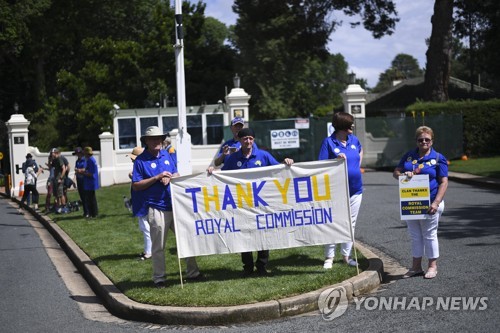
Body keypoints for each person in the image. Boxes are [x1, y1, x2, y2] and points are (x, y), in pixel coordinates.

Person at [216, 127, 294, 277]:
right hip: (242, 203)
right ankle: (248, 266)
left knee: (263, 233)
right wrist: (213, 171)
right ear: (239, 141)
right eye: (245, 139)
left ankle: (262, 265)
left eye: (251, 138)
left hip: (261, 202)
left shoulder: (263, 156)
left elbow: (278, 169)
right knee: (245, 234)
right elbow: (223, 175)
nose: (248, 141)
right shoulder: (233, 158)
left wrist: (286, 162)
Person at [131, 126, 202, 288]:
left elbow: (176, 173)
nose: (157, 141)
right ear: (146, 141)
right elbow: (136, 185)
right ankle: (159, 278)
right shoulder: (141, 161)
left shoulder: (166, 155)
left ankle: (193, 272)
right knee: (158, 246)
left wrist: (170, 177)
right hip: (157, 207)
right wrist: (156, 177)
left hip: (175, 204)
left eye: (159, 138)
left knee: (186, 240)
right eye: (153, 139)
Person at [393, 126, 448, 279]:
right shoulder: (409, 156)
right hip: (411, 202)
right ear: (416, 141)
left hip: (431, 202)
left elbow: (443, 182)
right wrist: (403, 174)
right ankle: (416, 267)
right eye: (421, 139)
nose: (424, 142)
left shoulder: (438, 158)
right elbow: (395, 172)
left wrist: (436, 203)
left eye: (427, 139)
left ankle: (432, 266)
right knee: (415, 236)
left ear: (432, 141)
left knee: (429, 234)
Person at [318, 112, 363, 269]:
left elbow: (359, 151)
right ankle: (329, 257)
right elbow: (321, 165)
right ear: (343, 126)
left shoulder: (354, 140)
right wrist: (335, 161)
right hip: (336, 191)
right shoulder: (328, 142)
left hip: (356, 190)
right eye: (350, 124)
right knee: (333, 222)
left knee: (351, 223)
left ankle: (346, 256)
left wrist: (356, 167)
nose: (353, 126)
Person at [127, 146, 152, 260]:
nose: (132, 159)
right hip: (140, 199)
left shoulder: (141, 166)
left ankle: (149, 251)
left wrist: (133, 177)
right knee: (144, 226)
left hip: (143, 200)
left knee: (145, 226)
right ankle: (148, 249)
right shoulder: (139, 166)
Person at [78, 146, 99, 218]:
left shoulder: (91, 161)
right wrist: (81, 170)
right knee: (90, 198)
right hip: (90, 182)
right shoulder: (91, 160)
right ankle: (93, 213)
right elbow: (87, 169)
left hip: (90, 182)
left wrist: (82, 173)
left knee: (91, 199)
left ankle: (93, 213)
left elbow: (90, 173)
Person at [51, 148, 69, 214]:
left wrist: (61, 178)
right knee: (57, 195)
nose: (52, 154)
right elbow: (51, 167)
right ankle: (58, 208)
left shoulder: (59, 159)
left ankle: (64, 207)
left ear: (56, 153)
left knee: (61, 194)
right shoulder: (54, 160)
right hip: (55, 179)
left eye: (53, 153)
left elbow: (64, 169)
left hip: (59, 179)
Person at [73, 147, 88, 217]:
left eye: (79, 153)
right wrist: (74, 179)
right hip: (79, 179)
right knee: (82, 196)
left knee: (85, 196)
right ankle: (85, 212)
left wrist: (78, 170)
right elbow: (76, 171)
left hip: (84, 179)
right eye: (77, 154)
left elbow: (85, 169)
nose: (78, 155)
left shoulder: (84, 160)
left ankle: (88, 212)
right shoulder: (77, 161)